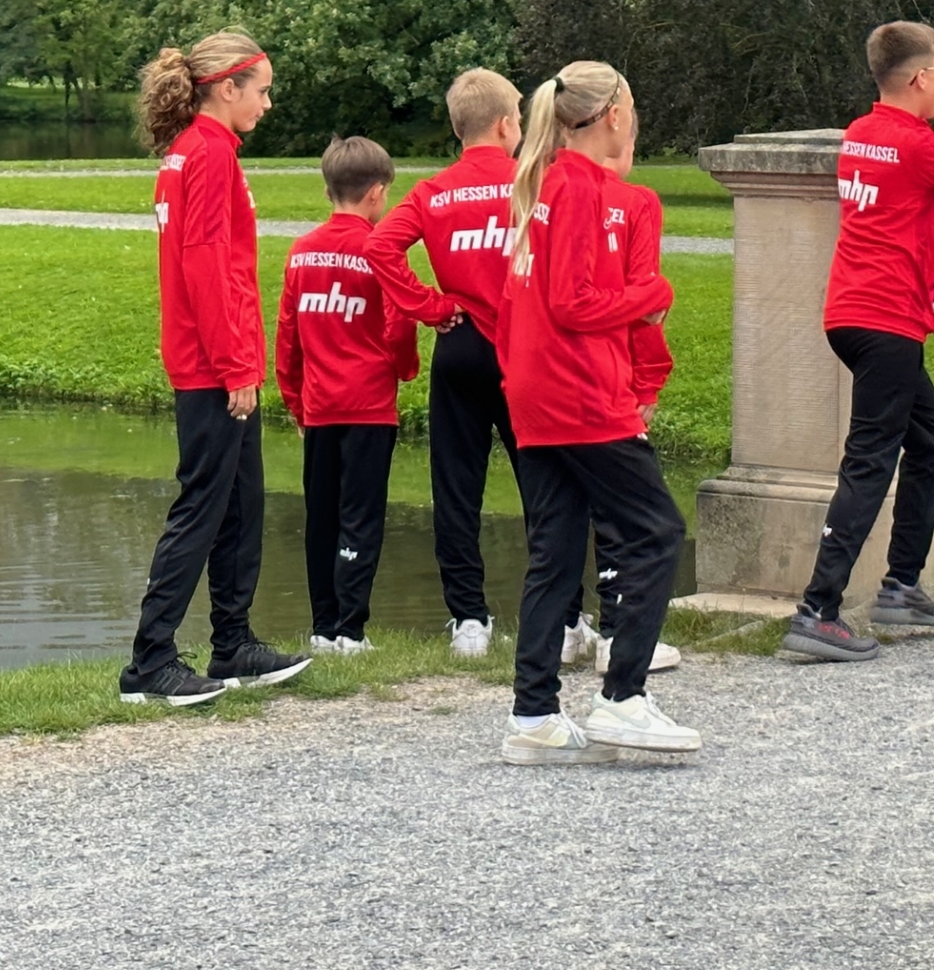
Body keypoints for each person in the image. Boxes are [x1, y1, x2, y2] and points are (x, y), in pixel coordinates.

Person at [782, 22, 934, 662]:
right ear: (920, 78)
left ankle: (901, 585)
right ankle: (817, 610)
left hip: (852, 314)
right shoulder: (917, 145)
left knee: (933, 435)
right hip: (887, 320)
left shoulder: (862, 133)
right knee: (868, 463)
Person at [498, 60, 698, 765]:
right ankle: (622, 697)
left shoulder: (544, 185)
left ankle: (534, 715)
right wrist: (653, 295)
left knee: (555, 550)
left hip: (536, 390)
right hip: (580, 392)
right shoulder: (579, 187)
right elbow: (573, 303)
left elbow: (518, 302)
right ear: (615, 115)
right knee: (658, 531)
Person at [120, 32, 310, 707]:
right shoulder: (205, 154)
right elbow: (205, 268)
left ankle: (233, 643)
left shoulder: (199, 150)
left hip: (221, 359)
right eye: (262, 90)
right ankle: (150, 661)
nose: (267, 102)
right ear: (227, 88)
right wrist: (235, 367)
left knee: (241, 503)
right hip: (212, 366)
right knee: (203, 506)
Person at [364, 69, 520, 660]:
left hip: (459, 345)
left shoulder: (434, 191)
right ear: (505, 125)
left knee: (456, 488)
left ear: (458, 128)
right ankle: (561, 616)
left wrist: (429, 305)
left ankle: (469, 620)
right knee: (546, 484)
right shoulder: (532, 182)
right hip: (523, 350)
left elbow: (380, 246)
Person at [276, 136, 420, 655]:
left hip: (319, 407)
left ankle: (322, 626)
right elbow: (399, 322)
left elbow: (288, 337)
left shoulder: (300, 252)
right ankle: (351, 630)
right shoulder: (380, 250)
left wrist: (295, 401)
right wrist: (405, 368)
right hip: (369, 407)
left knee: (322, 516)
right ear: (377, 193)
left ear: (328, 189)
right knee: (361, 516)